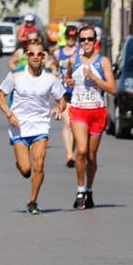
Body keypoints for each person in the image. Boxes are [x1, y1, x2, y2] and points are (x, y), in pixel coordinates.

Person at [0, 39, 68, 214]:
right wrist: (10, 114)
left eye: (39, 54)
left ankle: (33, 202)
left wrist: (59, 109)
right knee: (26, 169)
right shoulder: (16, 75)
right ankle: (20, 165)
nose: (35, 57)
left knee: (39, 165)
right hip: (19, 125)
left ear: (43, 57)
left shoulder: (50, 78)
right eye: (31, 54)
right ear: (26, 56)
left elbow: (62, 100)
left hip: (40, 125)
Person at [64, 25, 115, 209]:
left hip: (97, 111)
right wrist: (69, 83)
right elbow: (68, 80)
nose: (86, 42)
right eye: (83, 39)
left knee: (92, 156)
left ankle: (89, 190)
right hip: (78, 110)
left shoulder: (103, 62)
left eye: (90, 39)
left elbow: (113, 89)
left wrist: (94, 78)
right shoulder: (73, 60)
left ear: (95, 41)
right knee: (82, 151)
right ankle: (80, 190)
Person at [53, 24, 79, 167]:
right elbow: (54, 67)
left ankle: (73, 152)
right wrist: (54, 73)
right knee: (67, 123)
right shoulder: (59, 53)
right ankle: (69, 154)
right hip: (64, 93)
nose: (71, 39)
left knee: (75, 125)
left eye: (73, 37)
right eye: (69, 36)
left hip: (78, 93)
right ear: (65, 37)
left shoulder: (80, 53)